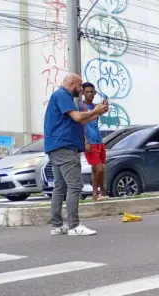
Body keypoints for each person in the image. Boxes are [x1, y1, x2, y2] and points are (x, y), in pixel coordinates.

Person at [44, 73, 108, 236]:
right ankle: (74, 225)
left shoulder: (60, 97)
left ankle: (57, 226)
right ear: (72, 84)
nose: (81, 90)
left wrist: (97, 112)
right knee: (75, 185)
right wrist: (95, 110)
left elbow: (80, 121)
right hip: (64, 147)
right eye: (80, 86)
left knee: (60, 186)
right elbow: (78, 116)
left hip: (56, 146)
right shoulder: (62, 95)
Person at [80, 82, 107, 200]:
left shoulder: (96, 106)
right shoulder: (81, 106)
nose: (90, 94)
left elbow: (95, 121)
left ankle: (95, 194)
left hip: (99, 141)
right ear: (83, 93)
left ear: (95, 93)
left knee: (95, 170)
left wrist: (103, 109)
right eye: (87, 92)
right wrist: (85, 141)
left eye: (92, 92)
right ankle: (103, 190)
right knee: (99, 168)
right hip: (90, 142)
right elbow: (80, 125)